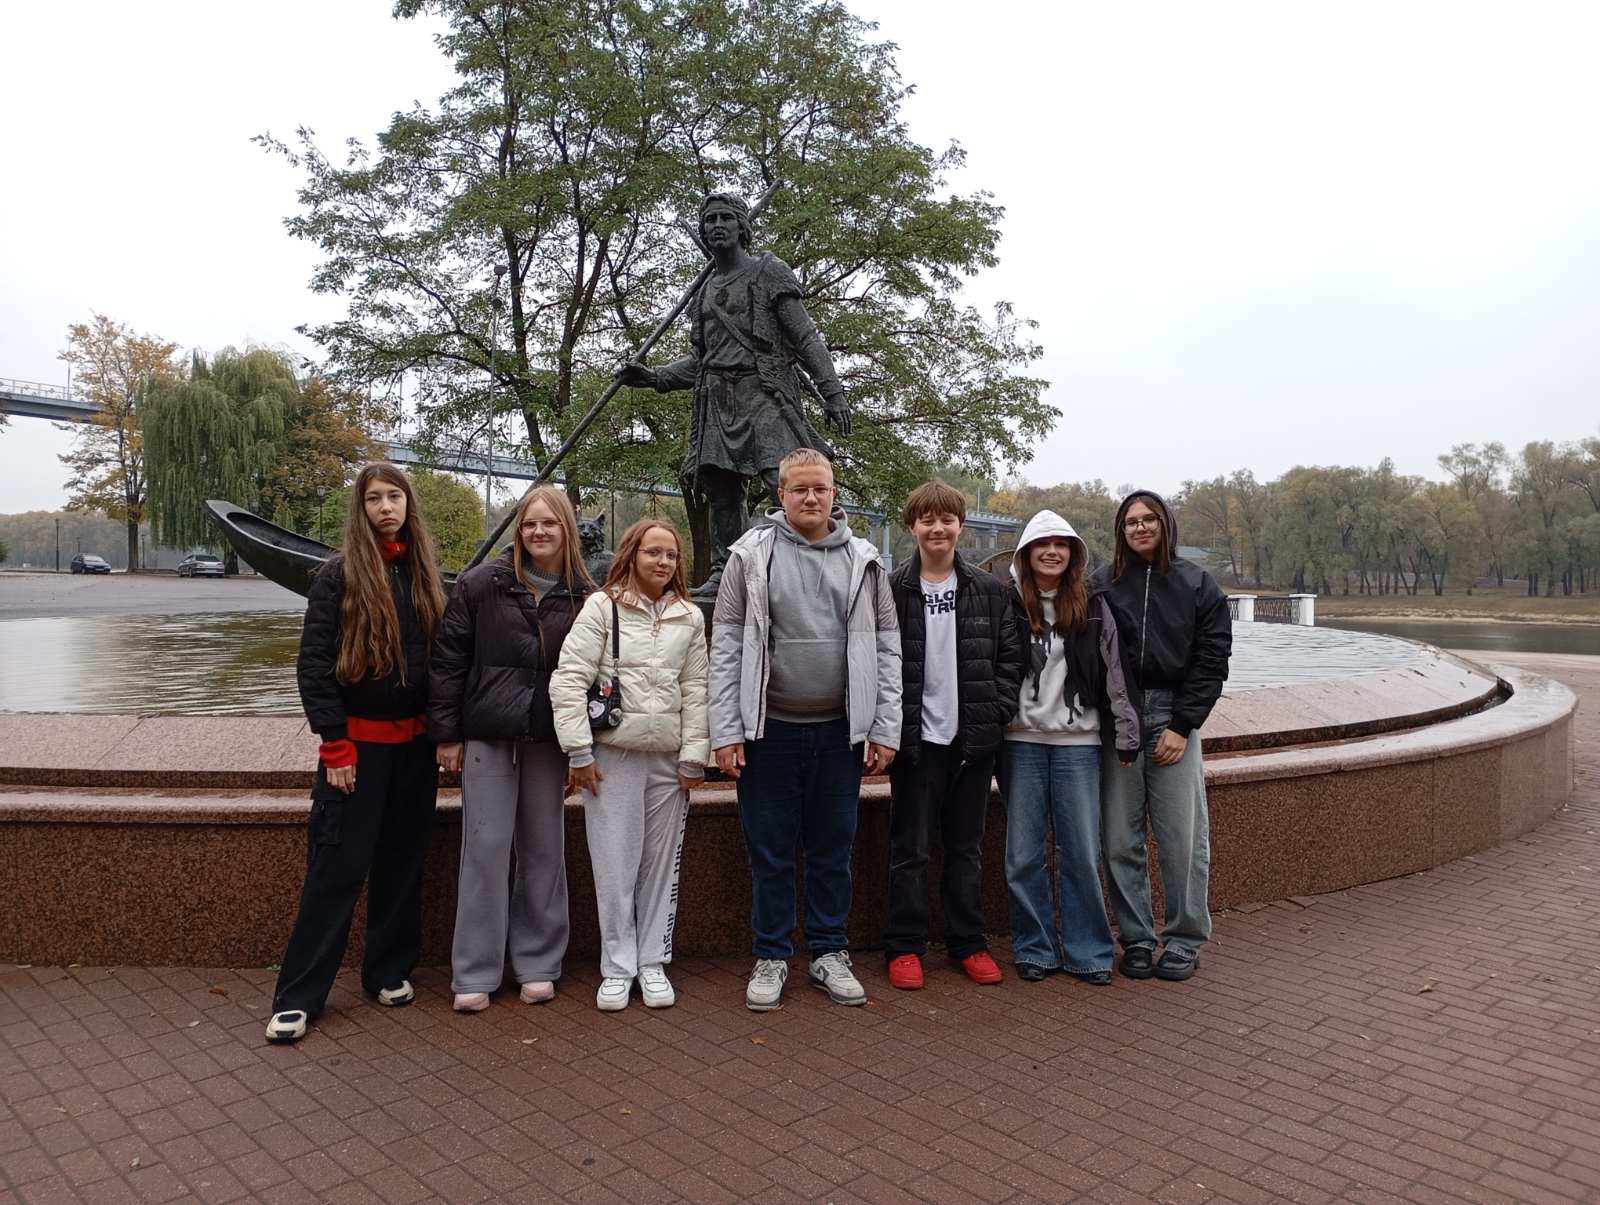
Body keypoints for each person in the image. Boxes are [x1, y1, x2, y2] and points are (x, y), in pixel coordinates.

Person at [709, 447, 901, 1010]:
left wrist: (884, 727)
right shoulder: (749, 557)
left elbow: (887, 649)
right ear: (782, 496)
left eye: (821, 488)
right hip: (768, 732)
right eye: (800, 489)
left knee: (832, 850)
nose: (811, 497)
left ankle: (828, 951)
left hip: (840, 733)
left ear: (834, 493)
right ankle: (771, 955)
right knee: (769, 853)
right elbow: (726, 647)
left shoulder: (865, 560)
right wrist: (726, 730)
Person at [266, 462, 448, 1043]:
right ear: (361, 508)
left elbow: (442, 661)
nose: (386, 507)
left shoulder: (424, 573)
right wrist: (335, 744)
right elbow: (315, 664)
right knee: (337, 870)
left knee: (402, 863)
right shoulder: (337, 576)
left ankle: (387, 971)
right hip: (357, 751)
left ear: (408, 504)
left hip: (414, 751)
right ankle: (299, 996)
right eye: (374, 498)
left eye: (394, 496)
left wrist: (445, 730)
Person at [616, 191, 851, 597]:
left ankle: (807, 564)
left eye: (726, 218)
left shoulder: (768, 271)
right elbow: (700, 361)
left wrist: (833, 393)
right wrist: (654, 377)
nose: (717, 226)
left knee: (786, 479)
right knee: (721, 490)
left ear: (743, 227)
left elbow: (806, 337)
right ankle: (727, 569)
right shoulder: (704, 291)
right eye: (710, 220)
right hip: (717, 398)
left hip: (764, 393)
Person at [428, 486, 593, 1011]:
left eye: (549, 523)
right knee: (485, 848)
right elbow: (449, 659)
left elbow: (597, 675)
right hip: (490, 734)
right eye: (529, 523)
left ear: (566, 529)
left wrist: (584, 747)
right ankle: (475, 970)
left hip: (550, 740)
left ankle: (538, 963)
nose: (538, 532)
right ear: (518, 531)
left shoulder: (587, 595)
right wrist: (447, 733)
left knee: (544, 850)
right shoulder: (481, 584)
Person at [550, 519, 709, 1011]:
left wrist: (694, 757)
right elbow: (568, 678)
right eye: (653, 552)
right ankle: (617, 967)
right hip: (612, 758)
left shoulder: (689, 616)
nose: (663, 561)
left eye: (671, 554)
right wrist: (579, 752)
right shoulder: (603, 607)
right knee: (615, 867)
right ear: (631, 554)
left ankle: (652, 962)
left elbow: (697, 690)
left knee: (660, 867)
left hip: (667, 760)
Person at [883, 480, 1024, 990]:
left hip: (972, 743)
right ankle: (905, 946)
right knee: (910, 850)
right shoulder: (891, 589)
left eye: (946, 519)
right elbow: (875, 660)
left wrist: (996, 713)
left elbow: (1011, 660)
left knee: (967, 848)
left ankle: (968, 942)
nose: (937, 528)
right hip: (915, 743)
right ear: (912, 526)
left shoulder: (990, 591)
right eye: (927, 520)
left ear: (960, 525)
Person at [1090, 491, 1231, 982]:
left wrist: (1182, 724)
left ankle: (1185, 939)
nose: (1140, 527)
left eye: (1149, 519)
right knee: (1119, 838)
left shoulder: (1198, 584)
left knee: (1181, 838)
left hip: (1173, 715)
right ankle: (1136, 938)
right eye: (1130, 521)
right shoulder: (1103, 583)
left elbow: (1213, 658)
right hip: (1120, 719)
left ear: (1166, 523)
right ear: (1121, 530)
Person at [1002, 510, 1141, 985]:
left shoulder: (1094, 605)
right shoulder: (1008, 603)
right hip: (1020, 742)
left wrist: (1127, 734)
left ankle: (1089, 952)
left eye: (1061, 544)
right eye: (1042, 544)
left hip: (1078, 744)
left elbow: (1116, 672)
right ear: (1026, 553)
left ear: (1073, 554)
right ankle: (1035, 948)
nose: (1051, 552)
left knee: (1080, 851)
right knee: (1023, 855)